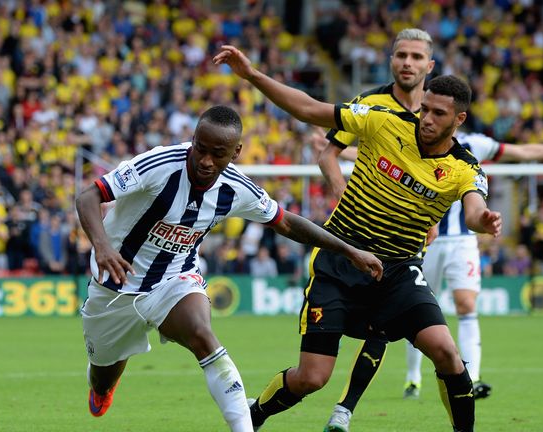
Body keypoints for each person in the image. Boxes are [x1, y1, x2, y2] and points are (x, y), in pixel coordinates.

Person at [314, 28, 543, 432]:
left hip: (447, 242)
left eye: (417, 58)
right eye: (402, 55)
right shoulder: (379, 113)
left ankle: (470, 376)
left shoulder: (470, 148)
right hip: (387, 241)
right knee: (392, 324)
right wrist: (345, 190)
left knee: (459, 308)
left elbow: (518, 153)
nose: (429, 118)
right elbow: (340, 149)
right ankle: (383, 391)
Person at [214, 46, 502, 432]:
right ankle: (254, 416)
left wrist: (482, 220)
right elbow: (309, 108)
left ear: (459, 119)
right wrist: (252, 75)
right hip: (341, 259)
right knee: (312, 378)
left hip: (397, 272)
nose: (427, 119)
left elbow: (473, 210)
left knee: (447, 353)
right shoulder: (382, 120)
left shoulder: (465, 167)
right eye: (425, 109)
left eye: (439, 113)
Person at [76, 105, 383, 432]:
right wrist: (103, 246)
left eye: (218, 154)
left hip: (175, 279)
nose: (206, 160)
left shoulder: (237, 188)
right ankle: (106, 381)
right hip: (116, 283)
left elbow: (287, 223)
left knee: (203, 335)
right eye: (201, 149)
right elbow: (88, 196)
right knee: (103, 374)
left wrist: (348, 250)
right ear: (193, 139)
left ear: (236, 152)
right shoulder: (159, 165)